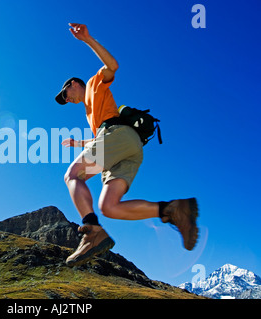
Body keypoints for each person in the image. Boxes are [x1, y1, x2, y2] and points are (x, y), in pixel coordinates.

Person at [55, 23, 199, 267]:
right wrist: (78, 143)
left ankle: (92, 231)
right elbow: (102, 135)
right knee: (109, 207)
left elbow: (113, 66)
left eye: (65, 93)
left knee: (72, 175)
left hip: (118, 136)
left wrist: (87, 39)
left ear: (74, 84)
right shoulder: (91, 111)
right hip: (128, 148)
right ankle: (173, 210)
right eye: (64, 99)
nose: (67, 99)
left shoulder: (93, 84)